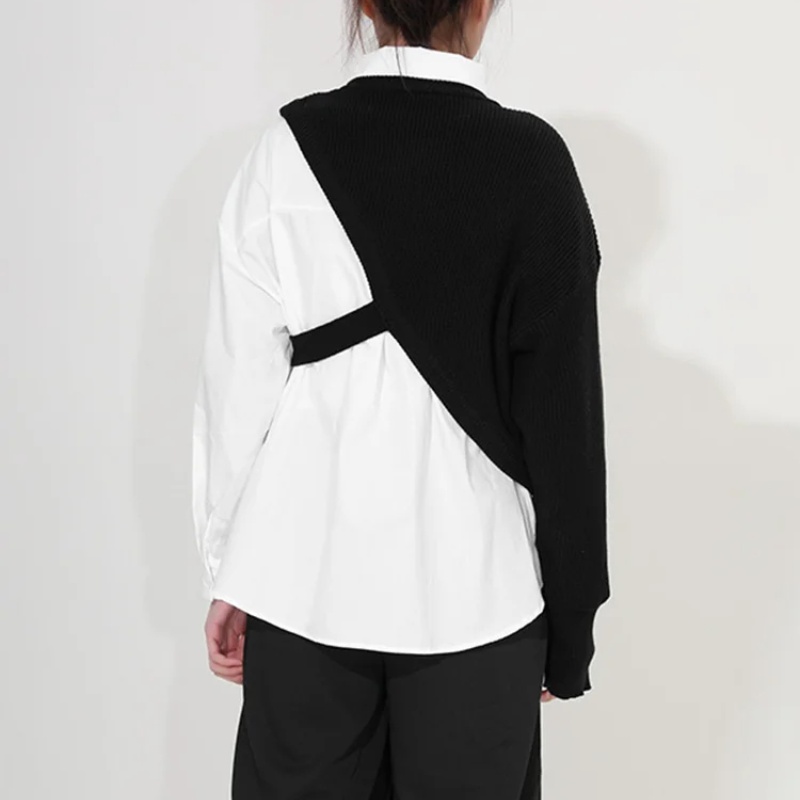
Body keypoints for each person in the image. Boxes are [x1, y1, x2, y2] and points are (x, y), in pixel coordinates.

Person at [191, 0, 611, 797]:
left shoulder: (286, 149)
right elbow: (566, 426)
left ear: (364, 5)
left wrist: (231, 572)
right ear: (483, 5)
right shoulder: (533, 163)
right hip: (478, 594)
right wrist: (571, 627)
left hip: (298, 580)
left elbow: (236, 385)